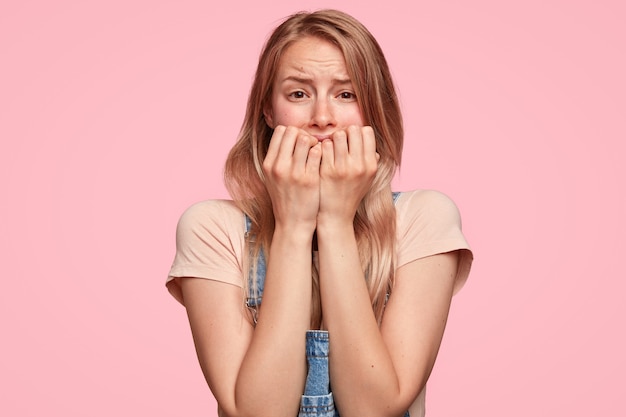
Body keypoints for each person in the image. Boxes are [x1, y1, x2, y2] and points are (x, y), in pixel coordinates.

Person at [166, 9, 472, 417]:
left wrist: (334, 220)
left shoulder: (424, 219)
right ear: (268, 112)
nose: (323, 118)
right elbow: (258, 412)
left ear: (374, 111)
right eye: (298, 94)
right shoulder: (211, 228)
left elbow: (374, 408)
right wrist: (293, 226)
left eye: (346, 94)